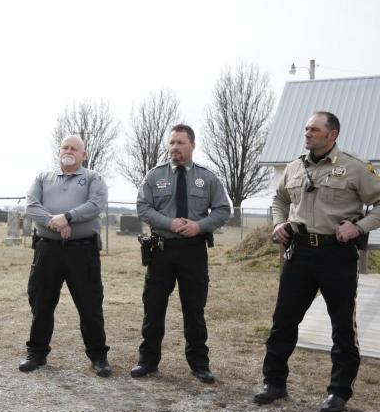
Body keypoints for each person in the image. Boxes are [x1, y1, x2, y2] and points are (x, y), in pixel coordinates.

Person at [254, 111, 380, 412]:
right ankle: (274, 382)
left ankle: (338, 392)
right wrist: (279, 224)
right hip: (300, 251)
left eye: (314, 130)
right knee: (283, 320)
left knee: (342, 325)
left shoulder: (354, 167)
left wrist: (359, 227)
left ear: (332, 135)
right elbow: (279, 200)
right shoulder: (295, 167)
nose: (307, 133)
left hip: (337, 253)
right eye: (306, 128)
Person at [131, 124, 231, 382]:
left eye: (180, 143)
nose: (174, 147)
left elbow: (222, 210)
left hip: (193, 252)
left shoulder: (207, 178)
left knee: (194, 310)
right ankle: (148, 361)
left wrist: (199, 226)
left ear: (192, 145)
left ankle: (199, 364)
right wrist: (169, 222)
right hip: (161, 250)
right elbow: (143, 207)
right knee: (153, 308)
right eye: (172, 142)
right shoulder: (155, 176)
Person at [21, 135, 111, 377]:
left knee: (89, 304)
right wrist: (56, 223)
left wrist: (68, 216)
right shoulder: (43, 177)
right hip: (47, 249)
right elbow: (31, 205)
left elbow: (96, 205)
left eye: (74, 148)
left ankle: (98, 356)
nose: (68, 151)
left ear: (84, 154)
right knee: (41, 303)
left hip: (82, 251)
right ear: (59, 151)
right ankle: (36, 353)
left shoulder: (93, 178)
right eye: (65, 147)